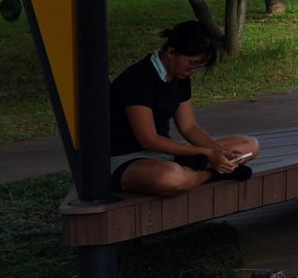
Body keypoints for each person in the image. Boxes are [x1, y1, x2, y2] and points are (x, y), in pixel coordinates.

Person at [111, 21, 261, 196]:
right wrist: (206, 153)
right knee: (171, 179)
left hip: (164, 154)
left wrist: (219, 153)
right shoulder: (138, 79)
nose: (194, 70)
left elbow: (189, 127)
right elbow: (149, 140)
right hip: (126, 159)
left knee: (250, 145)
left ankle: (204, 168)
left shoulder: (179, 76)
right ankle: (211, 173)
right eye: (192, 64)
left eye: (199, 66)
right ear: (172, 52)